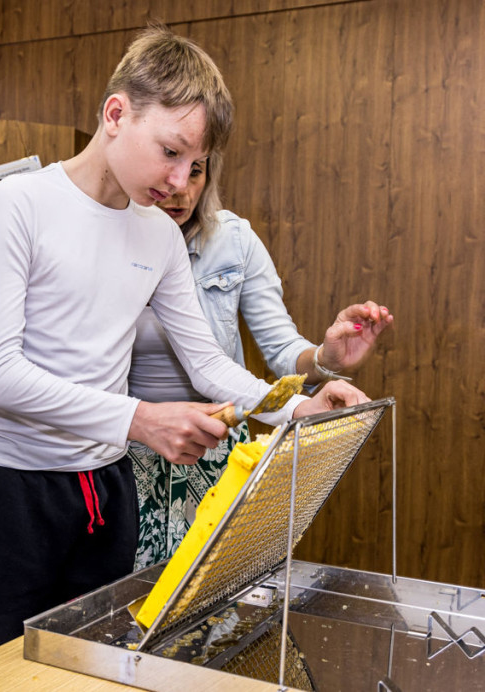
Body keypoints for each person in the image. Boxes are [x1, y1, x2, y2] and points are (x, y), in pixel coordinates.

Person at [0, 24, 370, 678]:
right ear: (115, 114)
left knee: (89, 672)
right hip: (7, 492)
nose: (180, 178)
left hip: (106, 492)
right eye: (170, 151)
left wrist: (295, 407)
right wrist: (138, 418)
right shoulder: (21, 204)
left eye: (196, 165)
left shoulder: (158, 235)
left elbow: (208, 365)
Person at [129, 150, 393, 569]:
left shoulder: (233, 240)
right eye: (172, 168)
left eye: (197, 172)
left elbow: (280, 351)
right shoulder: (117, 238)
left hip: (213, 442)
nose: (181, 188)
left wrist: (326, 357)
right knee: (127, 596)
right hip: (130, 446)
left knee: (214, 591)